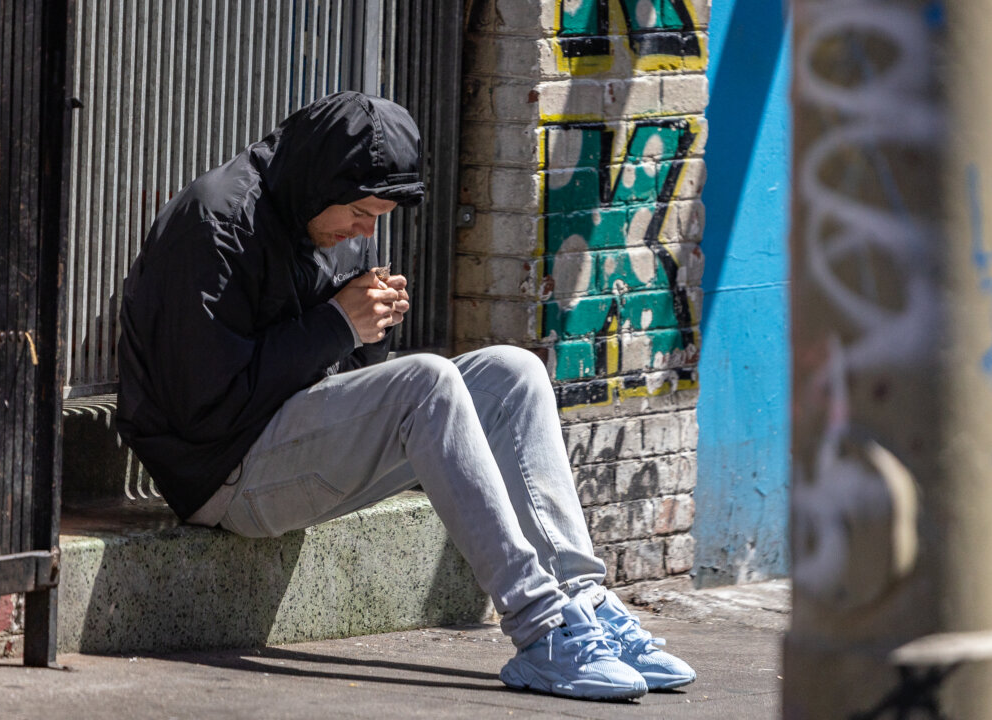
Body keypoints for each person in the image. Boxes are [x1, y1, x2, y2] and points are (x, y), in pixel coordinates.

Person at [116, 91, 695, 701]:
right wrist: (338, 324)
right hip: (220, 475)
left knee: (514, 371)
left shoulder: (335, 221)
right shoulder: (217, 221)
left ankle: (583, 604)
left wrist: (367, 330)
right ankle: (542, 627)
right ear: (319, 183)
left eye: (380, 217)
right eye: (362, 213)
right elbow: (201, 408)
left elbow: (346, 379)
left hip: (291, 448)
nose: (366, 231)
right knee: (427, 380)